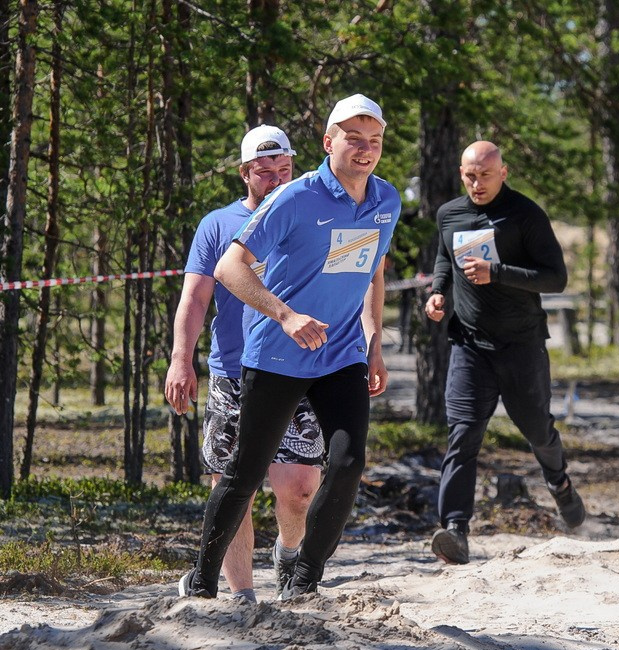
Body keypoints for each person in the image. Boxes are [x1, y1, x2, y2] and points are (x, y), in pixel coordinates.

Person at [178, 93, 400, 600]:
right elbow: (228, 268)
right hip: (277, 354)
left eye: (374, 140)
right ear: (328, 142)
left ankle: (303, 581)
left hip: (341, 354)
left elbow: (372, 273)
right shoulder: (295, 197)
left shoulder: (387, 200)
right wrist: (286, 315)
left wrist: (374, 344)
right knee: (244, 472)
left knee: (347, 464)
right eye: (353, 139)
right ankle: (203, 581)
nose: (365, 149)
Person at [165, 124, 325, 601]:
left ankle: (288, 552)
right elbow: (195, 298)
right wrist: (181, 359)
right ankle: (243, 597)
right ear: (244, 173)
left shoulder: (310, 217)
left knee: (299, 487)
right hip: (233, 372)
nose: (276, 179)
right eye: (264, 171)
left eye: (284, 170)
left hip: (298, 368)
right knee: (234, 487)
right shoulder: (218, 225)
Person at [423, 140, 585, 565]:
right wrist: (438, 292)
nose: (477, 184)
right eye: (469, 176)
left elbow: (555, 278)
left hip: (521, 345)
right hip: (470, 345)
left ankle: (559, 481)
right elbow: (444, 258)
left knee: (537, 430)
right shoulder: (449, 214)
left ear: (503, 173)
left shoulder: (525, 215)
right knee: (462, 434)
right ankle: (455, 530)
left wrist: (496, 272)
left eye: (485, 176)